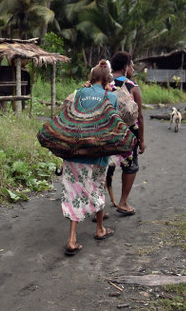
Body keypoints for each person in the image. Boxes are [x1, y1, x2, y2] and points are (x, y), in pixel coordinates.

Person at [62, 60, 118, 256]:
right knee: (96, 188)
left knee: (73, 193)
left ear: (92, 77)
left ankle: (71, 239)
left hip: (74, 150)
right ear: (108, 79)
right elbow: (113, 125)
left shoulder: (79, 93)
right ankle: (100, 229)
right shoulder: (111, 96)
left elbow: (69, 114)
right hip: (98, 152)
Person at [106, 51, 146, 215]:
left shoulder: (103, 83)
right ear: (125, 66)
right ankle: (123, 202)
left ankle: (99, 208)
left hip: (105, 133)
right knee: (130, 166)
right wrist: (142, 140)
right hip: (127, 135)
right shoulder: (132, 86)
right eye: (132, 65)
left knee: (104, 167)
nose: (133, 68)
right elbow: (140, 117)